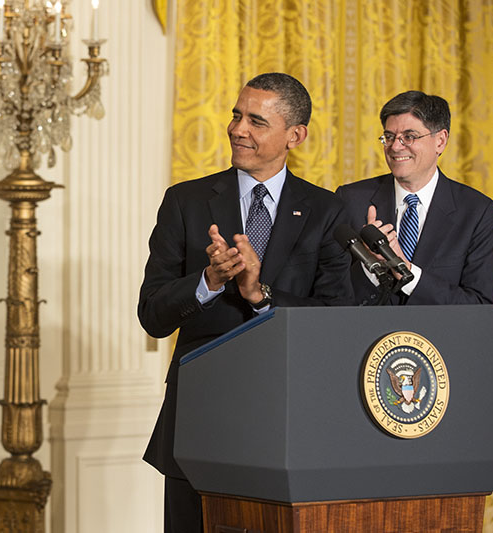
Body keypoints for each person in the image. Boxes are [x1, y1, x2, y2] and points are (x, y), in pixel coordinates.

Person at [138, 72, 354, 533]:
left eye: (257, 121)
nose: (238, 129)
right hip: (199, 423)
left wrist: (260, 295)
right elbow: (152, 314)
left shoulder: (326, 211)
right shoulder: (186, 201)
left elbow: (338, 321)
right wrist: (208, 280)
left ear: (295, 135)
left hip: (288, 426)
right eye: (237, 115)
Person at [336, 91, 493, 305]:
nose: (395, 147)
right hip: (363, 335)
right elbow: (330, 293)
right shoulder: (350, 200)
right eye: (389, 136)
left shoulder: (477, 211)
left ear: (440, 141)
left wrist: (407, 271)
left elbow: (479, 306)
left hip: (439, 338)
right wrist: (370, 266)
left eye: (409, 137)